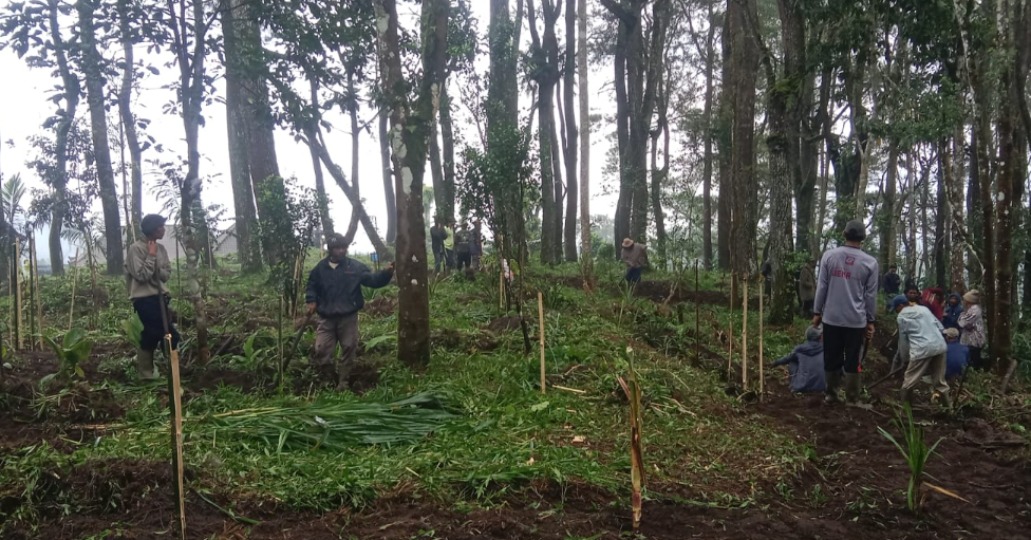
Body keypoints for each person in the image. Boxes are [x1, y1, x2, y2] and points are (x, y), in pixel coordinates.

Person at [305, 234, 395, 391]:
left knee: (349, 347)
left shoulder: (355, 267)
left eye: (344, 247)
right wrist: (311, 300)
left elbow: (372, 280)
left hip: (348, 316)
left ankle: (343, 382)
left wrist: (386, 273)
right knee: (322, 348)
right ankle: (328, 379)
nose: (341, 251)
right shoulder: (320, 269)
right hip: (326, 317)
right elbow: (312, 285)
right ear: (330, 249)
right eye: (337, 248)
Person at [811, 219, 879, 406]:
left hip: (831, 318)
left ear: (844, 234)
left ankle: (831, 394)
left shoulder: (829, 256)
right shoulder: (870, 262)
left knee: (831, 356)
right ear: (863, 238)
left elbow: (822, 286)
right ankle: (852, 398)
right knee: (853, 359)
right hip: (856, 320)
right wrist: (870, 320)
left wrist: (817, 312)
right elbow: (870, 295)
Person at [125, 214, 180, 381]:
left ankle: (162, 368)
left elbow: (166, 274)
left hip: (161, 297)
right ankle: (146, 373)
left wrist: (156, 264)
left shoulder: (161, 249)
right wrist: (151, 256)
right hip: (144, 299)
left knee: (164, 334)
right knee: (156, 332)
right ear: (152, 229)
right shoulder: (136, 249)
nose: (163, 229)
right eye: (160, 227)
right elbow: (141, 275)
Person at [891, 294, 950, 409]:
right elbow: (941, 328)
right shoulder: (924, 309)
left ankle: (906, 410)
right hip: (940, 346)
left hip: (921, 349)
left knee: (909, 380)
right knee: (940, 382)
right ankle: (948, 409)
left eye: (896, 309)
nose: (896, 311)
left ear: (900, 306)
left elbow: (904, 341)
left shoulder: (901, 317)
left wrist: (905, 359)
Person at [772, 326, 826, 393]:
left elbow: (786, 359)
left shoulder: (800, 350)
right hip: (822, 386)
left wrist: (775, 363)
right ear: (819, 336)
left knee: (792, 361)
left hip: (803, 386)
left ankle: (795, 384)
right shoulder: (825, 349)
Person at [958, 289, 987, 371]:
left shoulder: (975, 309)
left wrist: (961, 317)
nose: (963, 301)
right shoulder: (969, 309)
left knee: (975, 360)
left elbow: (962, 322)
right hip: (970, 340)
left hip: (975, 340)